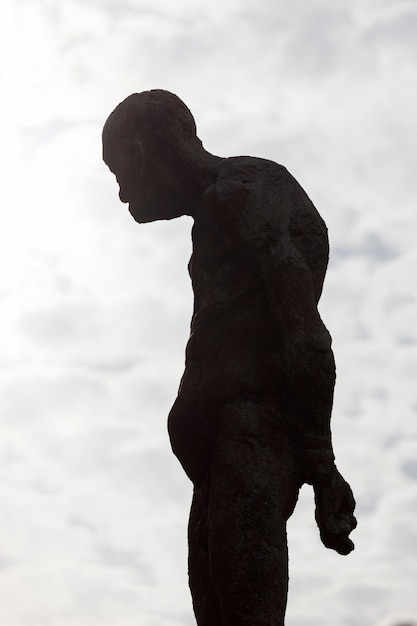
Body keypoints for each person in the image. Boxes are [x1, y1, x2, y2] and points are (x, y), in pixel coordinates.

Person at [102, 89, 356, 626]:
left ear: (142, 151)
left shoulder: (242, 194)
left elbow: (305, 332)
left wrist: (321, 458)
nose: (123, 194)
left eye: (119, 171)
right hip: (222, 450)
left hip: (251, 431)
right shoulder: (218, 212)